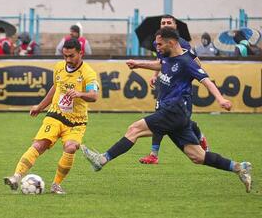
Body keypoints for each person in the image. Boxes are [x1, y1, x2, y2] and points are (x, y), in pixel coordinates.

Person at [81, 27, 252, 193]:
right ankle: (238, 167)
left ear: (171, 43)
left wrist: (221, 99)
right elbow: (160, 64)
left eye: (160, 44)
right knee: (197, 156)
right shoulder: (167, 56)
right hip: (176, 115)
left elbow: (205, 80)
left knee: (134, 129)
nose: (157, 48)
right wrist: (138, 64)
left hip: (174, 110)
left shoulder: (186, 62)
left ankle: (102, 159)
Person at [4, 38, 99, 194]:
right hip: (55, 115)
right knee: (39, 145)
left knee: (71, 147)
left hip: (77, 122)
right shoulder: (59, 67)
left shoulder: (88, 73)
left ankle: (56, 185)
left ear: (81, 53)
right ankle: (16, 177)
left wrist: (80, 94)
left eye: (71, 56)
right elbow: (55, 88)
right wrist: (40, 106)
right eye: (65, 56)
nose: (68, 60)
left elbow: (94, 96)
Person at [139, 14, 209, 165]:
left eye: (169, 22)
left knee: (179, 121)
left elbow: (196, 62)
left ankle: (199, 137)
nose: (165, 24)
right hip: (166, 87)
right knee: (160, 116)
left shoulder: (183, 44)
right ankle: (154, 154)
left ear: (175, 26)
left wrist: (195, 71)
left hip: (180, 91)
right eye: (163, 22)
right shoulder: (158, 42)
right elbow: (162, 61)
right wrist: (154, 75)